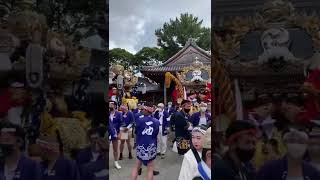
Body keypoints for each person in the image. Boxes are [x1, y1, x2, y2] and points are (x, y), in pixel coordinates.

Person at [131, 103, 160, 180]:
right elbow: (156, 134)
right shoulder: (156, 121)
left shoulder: (139, 120)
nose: (142, 111)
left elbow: (136, 132)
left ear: (147, 111)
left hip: (141, 145)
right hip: (151, 145)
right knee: (150, 168)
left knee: (137, 166)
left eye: (143, 109)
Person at [108, 101, 122, 169]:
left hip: (115, 133)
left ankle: (116, 162)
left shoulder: (119, 114)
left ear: (115, 106)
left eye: (111, 104)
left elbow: (121, 124)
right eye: (109, 104)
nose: (110, 105)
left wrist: (119, 133)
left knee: (115, 149)